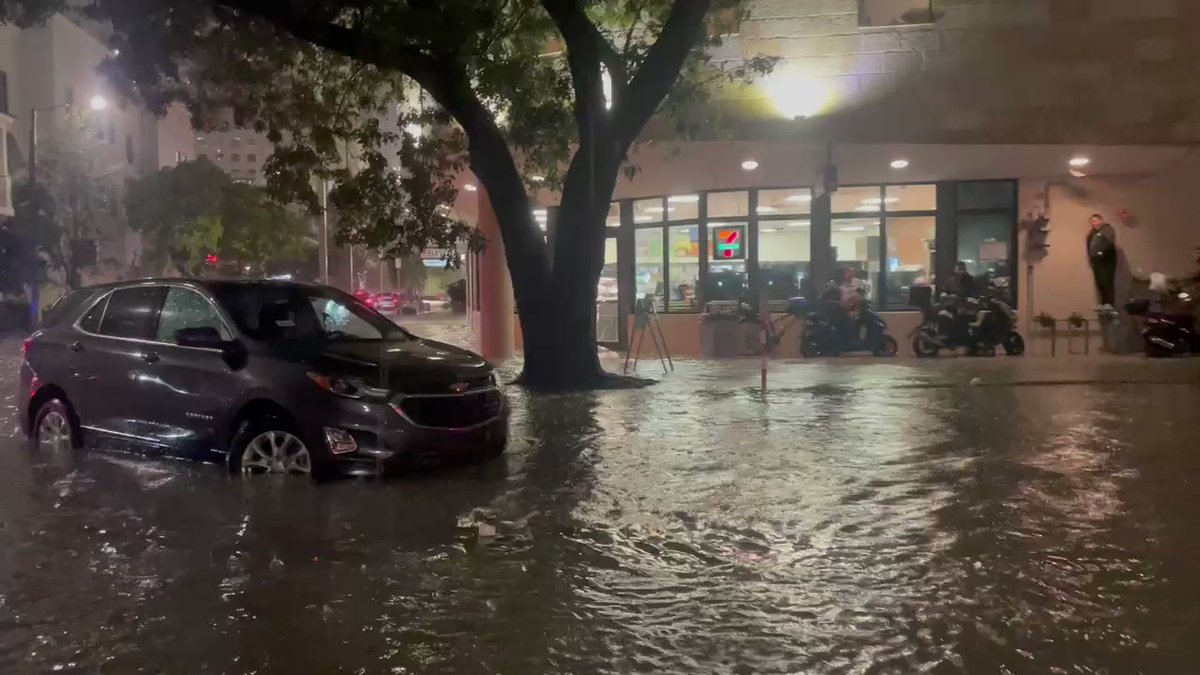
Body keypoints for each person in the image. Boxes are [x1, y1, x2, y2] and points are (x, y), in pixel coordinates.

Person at [1086, 213, 1118, 308]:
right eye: (1092, 222)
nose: (1093, 223)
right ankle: (1103, 303)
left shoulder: (1107, 230)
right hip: (1096, 261)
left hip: (1107, 259)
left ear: (1101, 220)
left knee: (1107, 281)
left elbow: (1108, 242)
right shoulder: (1091, 234)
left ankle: (1109, 303)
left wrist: (1101, 252)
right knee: (1099, 281)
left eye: (1095, 221)